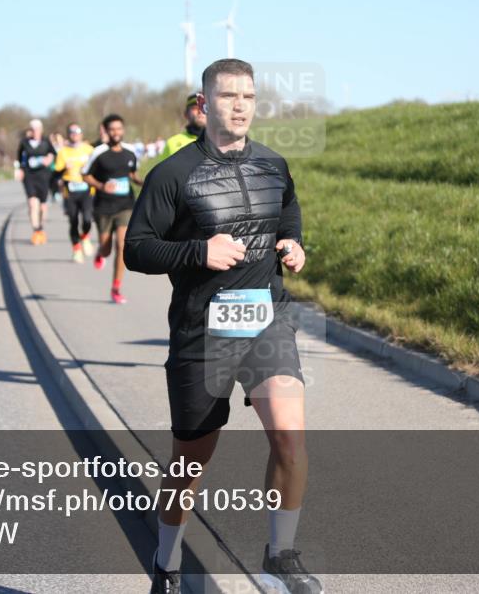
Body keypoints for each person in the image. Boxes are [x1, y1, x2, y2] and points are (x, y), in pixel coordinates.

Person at [124, 59, 320, 594]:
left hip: (267, 321)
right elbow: (137, 249)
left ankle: (280, 556)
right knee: (190, 463)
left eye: (248, 97)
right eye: (229, 96)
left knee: (290, 438)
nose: (240, 106)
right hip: (202, 333)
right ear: (204, 104)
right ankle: (167, 563)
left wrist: (293, 243)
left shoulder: (274, 164)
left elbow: (288, 211)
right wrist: (198, 251)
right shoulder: (172, 175)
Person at [82, 113, 142, 304]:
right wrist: (101, 186)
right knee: (107, 249)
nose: (116, 132)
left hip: (126, 205)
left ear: (123, 130)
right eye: (112, 129)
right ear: (106, 131)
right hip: (103, 207)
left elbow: (132, 174)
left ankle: (116, 288)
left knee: (122, 245)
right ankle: (100, 253)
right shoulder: (98, 152)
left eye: (119, 128)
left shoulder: (130, 151)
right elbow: (85, 175)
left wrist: (142, 182)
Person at [53, 123, 96, 262]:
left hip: (87, 190)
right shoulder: (63, 152)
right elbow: (55, 173)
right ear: (68, 135)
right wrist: (64, 168)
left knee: (87, 219)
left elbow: (98, 167)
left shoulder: (89, 150)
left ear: (81, 134)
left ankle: (85, 236)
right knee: (73, 220)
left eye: (77, 132)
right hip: (70, 191)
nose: (75, 134)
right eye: (72, 132)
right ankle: (76, 249)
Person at [15, 119, 56, 245]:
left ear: (41, 130)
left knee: (42, 206)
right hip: (29, 175)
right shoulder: (24, 142)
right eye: (33, 129)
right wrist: (19, 170)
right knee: (32, 203)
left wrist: (49, 159)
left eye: (37, 129)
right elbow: (20, 158)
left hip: (43, 175)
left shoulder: (46, 141)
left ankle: (41, 228)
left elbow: (53, 154)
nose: (35, 132)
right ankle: (36, 230)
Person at [159, 92, 206, 158]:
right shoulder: (172, 144)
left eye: (204, 107)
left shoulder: (219, 143)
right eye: (195, 108)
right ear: (186, 114)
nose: (200, 111)